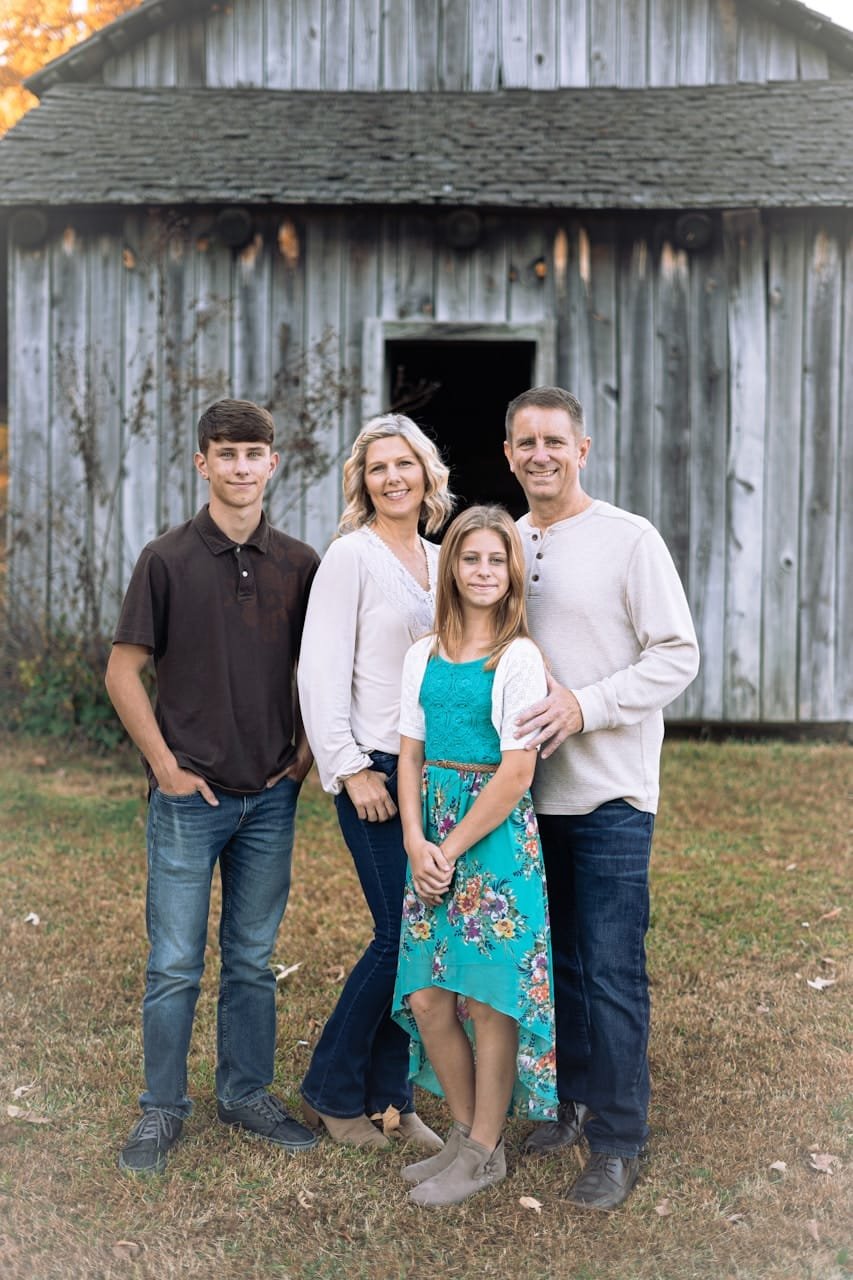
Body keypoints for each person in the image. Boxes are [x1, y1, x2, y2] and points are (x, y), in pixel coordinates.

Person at [105, 398, 320, 1176]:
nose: (238, 467)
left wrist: (307, 754)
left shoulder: (300, 562)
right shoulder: (165, 559)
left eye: (252, 454)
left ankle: (245, 1094)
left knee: (252, 958)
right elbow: (123, 671)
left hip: (269, 793)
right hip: (187, 797)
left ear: (272, 463)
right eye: (223, 454)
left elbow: (316, 667)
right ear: (202, 463)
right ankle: (162, 1109)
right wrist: (164, 764)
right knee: (172, 961)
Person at [503, 386, 700, 1211]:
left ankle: (618, 1141)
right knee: (560, 965)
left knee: (613, 967)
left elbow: (676, 655)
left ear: (581, 449)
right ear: (508, 453)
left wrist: (585, 704)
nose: (539, 454)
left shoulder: (628, 540)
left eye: (554, 440)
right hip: (525, 796)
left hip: (613, 791)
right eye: (524, 442)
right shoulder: (502, 544)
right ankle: (573, 1101)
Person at [391, 505, 558, 1207]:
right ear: (450, 568)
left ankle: (486, 1150)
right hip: (429, 836)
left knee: (489, 1002)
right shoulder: (422, 652)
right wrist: (414, 840)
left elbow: (517, 772)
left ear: (510, 571)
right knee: (430, 998)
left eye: (496, 560)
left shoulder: (516, 656)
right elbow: (409, 753)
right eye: (470, 559)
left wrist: (451, 849)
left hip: (491, 842)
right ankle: (463, 1134)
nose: (483, 572)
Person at [296, 413, 452, 1150]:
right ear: (362, 481)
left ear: (427, 474)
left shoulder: (441, 556)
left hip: (436, 772)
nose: (393, 477)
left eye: (405, 464)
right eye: (378, 467)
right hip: (376, 771)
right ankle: (332, 1090)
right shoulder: (350, 558)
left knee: (425, 940)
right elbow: (317, 670)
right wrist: (349, 767)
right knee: (397, 935)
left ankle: (391, 1098)